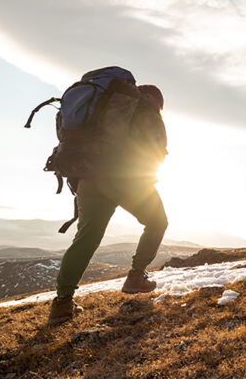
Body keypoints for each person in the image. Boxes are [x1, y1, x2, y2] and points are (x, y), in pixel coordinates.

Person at [47, 80, 168, 325]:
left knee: (86, 239)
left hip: (88, 178)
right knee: (157, 222)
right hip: (126, 179)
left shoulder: (102, 110)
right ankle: (135, 277)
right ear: (156, 102)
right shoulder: (147, 112)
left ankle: (62, 304)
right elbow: (156, 152)